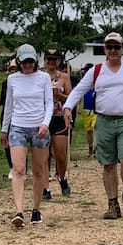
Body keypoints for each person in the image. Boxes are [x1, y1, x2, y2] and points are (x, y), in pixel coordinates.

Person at [63, 32, 123, 219]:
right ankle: (112, 204)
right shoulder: (96, 71)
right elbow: (78, 90)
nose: (113, 50)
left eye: (116, 47)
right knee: (108, 164)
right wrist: (67, 107)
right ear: (104, 49)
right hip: (104, 121)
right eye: (109, 47)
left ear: (122, 49)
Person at [0, 44, 53, 227]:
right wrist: (4, 130)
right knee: (19, 169)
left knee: (38, 170)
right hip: (18, 127)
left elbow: (49, 103)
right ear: (19, 62)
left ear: (35, 61)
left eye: (30, 61)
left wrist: (45, 123)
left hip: (39, 128)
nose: (27, 65)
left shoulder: (44, 78)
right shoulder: (12, 79)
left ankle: (36, 209)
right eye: (24, 62)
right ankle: (19, 211)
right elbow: (9, 106)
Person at [42, 48, 73, 200]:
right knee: (44, 154)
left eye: (54, 60)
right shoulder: (39, 77)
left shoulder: (64, 77)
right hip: (43, 119)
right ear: (44, 60)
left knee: (60, 154)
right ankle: (45, 187)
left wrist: (59, 95)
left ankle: (61, 177)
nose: (51, 62)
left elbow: (71, 97)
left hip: (59, 117)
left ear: (58, 61)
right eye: (49, 59)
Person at [0, 59, 19, 179]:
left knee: (20, 143)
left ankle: (21, 167)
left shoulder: (24, 82)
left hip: (20, 116)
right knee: (7, 142)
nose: (13, 71)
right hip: (7, 116)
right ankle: (12, 167)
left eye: (15, 69)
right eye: (12, 69)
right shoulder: (6, 82)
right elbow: (5, 99)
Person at [79, 62, 97, 157]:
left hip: (96, 109)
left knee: (96, 128)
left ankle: (97, 148)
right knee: (89, 130)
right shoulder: (83, 82)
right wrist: (78, 107)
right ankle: (90, 148)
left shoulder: (97, 81)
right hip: (86, 109)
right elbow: (79, 95)